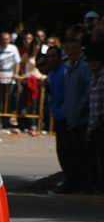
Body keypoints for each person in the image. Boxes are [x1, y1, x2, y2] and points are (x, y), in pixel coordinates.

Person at [58, 35, 91, 192]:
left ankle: (82, 184)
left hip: (81, 119)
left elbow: (87, 92)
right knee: (69, 153)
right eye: (67, 48)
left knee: (80, 154)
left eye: (72, 48)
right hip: (69, 117)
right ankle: (72, 182)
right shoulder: (68, 67)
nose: (69, 51)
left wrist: (80, 111)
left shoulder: (83, 67)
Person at [0, 32, 21, 130]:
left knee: (8, 101)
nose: (5, 41)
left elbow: (17, 62)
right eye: (3, 39)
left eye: (7, 39)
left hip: (10, 79)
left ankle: (6, 121)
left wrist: (16, 73)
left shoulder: (13, 48)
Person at [46, 46, 67, 180]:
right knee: (61, 149)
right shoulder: (51, 73)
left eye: (53, 56)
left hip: (66, 115)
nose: (51, 59)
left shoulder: (64, 71)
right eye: (49, 56)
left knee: (67, 150)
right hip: (57, 114)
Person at [85, 42, 104, 193]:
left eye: (94, 61)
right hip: (94, 123)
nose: (92, 64)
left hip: (101, 123)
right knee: (95, 157)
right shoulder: (93, 77)